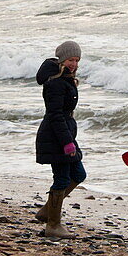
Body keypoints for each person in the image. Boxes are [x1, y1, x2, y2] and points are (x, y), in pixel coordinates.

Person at [35, 39, 85, 239]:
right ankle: (53, 225)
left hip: (65, 133)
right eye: (70, 59)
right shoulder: (55, 82)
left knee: (78, 174)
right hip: (56, 135)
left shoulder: (65, 78)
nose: (74, 63)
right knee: (62, 178)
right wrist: (66, 143)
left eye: (76, 60)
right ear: (62, 59)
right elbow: (55, 115)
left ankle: (48, 211)